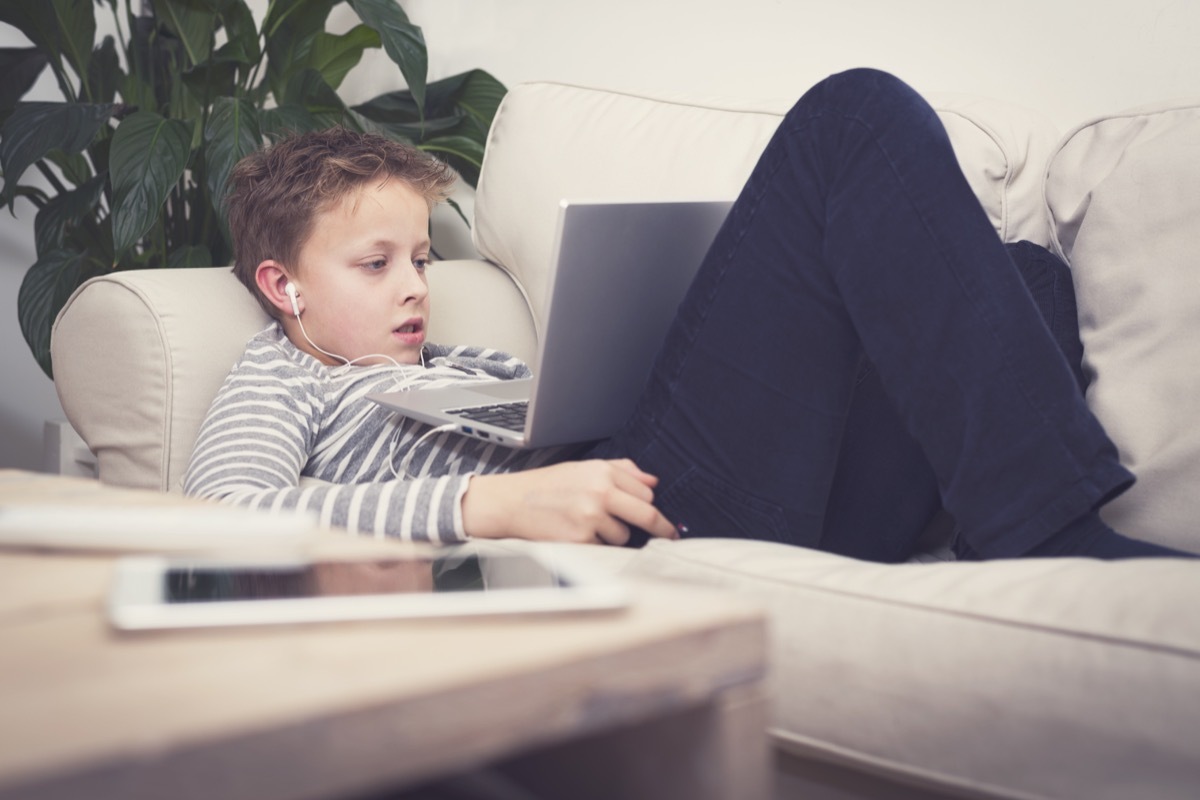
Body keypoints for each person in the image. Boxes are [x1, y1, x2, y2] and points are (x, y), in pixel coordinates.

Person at [184, 68, 1193, 561]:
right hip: (626, 526)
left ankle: (1005, 530)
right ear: (285, 286)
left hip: (740, 492)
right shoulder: (282, 376)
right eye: (375, 263)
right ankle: (1052, 535)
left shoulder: (462, 358)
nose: (415, 283)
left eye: (419, 256)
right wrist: (488, 505)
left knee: (1026, 272)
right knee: (853, 119)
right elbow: (219, 517)